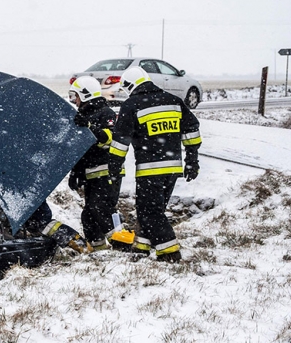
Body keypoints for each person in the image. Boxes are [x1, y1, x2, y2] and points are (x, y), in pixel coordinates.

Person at [108, 67, 202, 263]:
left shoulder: (132, 105)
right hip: (173, 168)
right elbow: (191, 128)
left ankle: (169, 252)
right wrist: (192, 160)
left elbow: (120, 142)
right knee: (154, 210)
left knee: (149, 211)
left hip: (150, 170)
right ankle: (142, 247)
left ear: (129, 86)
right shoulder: (174, 101)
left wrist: (115, 167)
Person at [67, 76, 130, 251]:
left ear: (86, 95)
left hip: (107, 172)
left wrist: (89, 126)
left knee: (101, 209)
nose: (74, 101)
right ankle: (99, 251)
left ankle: (124, 245)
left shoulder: (106, 113)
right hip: (91, 174)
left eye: (76, 96)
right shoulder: (82, 116)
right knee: (88, 215)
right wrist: (76, 172)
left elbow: (110, 139)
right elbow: (81, 148)